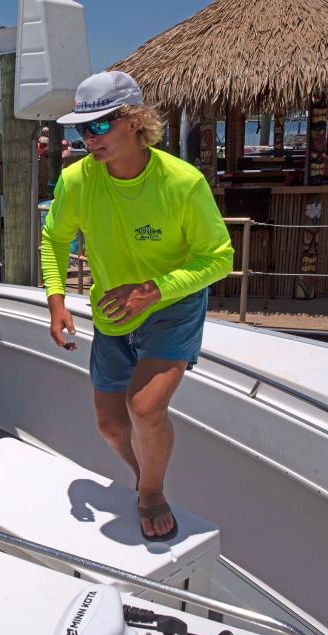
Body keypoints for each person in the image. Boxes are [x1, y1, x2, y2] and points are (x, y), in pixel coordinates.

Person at [42, 71, 234, 541]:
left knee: (144, 408)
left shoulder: (182, 182)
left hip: (172, 306)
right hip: (111, 313)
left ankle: (151, 492)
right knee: (110, 425)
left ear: (134, 121)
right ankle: (148, 469)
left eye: (100, 126)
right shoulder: (76, 180)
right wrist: (56, 300)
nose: (89, 138)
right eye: (82, 129)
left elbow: (220, 258)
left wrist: (153, 290)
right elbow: (54, 237)